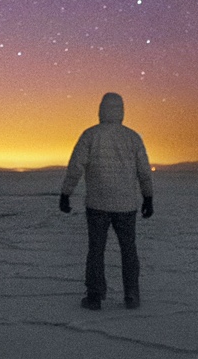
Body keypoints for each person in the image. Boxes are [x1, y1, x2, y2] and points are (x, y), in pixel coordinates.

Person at [57, 91, 154, 309]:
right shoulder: (132, 137)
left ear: (101, 110)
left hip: (97, 204)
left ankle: (94, 296)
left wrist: (66, 193)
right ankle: (131, 295)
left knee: (96, 250)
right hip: (126, 205)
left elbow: (75, 167)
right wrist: (148, 197)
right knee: (129, 250)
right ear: (121, 111)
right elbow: (144, 172)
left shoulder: (90, 135)